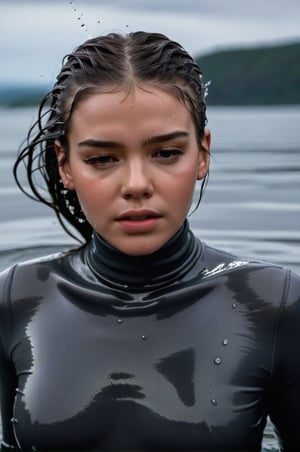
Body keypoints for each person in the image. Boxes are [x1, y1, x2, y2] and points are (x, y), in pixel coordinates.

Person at [0, 31, 299, 452]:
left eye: (166, 153)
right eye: (102, 158)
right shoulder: (15, 301)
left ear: (203, 154)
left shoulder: (274, 305)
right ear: (64, 164)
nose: (137, 185)